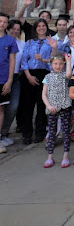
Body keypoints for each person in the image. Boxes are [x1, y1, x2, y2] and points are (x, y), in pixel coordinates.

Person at [21, 19, 53, 145]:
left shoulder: (50, 42)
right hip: (30, 74)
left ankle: (40, 132)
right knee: (28, 106)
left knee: (42, 105)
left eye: (43, 26)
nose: (41, 28)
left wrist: (43, 59)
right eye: (38, 26)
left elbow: (53, 61)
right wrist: (28, 76)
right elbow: (24, 60)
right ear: (35, 28)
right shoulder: (29, 42)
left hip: (44, 73)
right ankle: (27, 133)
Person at [42, 53, 72, 168]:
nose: (58, 66)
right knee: (52, 132)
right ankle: (50, 157)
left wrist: (68, 61)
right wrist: (48, 106)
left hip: (64, 106)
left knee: (65, 131)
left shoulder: (65, 75)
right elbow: (44, 94)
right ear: (51, 64)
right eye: (55, 64)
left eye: (60, 64)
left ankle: (65, 156)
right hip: (52, 108)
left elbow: (69, 74)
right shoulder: (47, 77)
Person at [2, 20, 24, 147]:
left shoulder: (22, 44)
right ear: (7, 29)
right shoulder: (3, 41)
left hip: (16, 78)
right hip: (2, 76)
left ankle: (4, 132)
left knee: (13, 106)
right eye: (13, 29)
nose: (15, 31)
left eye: (18, 29)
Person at [0, 14, 17, 153]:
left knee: (1, 110)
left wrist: (10, 80)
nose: (2, 24)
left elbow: (12, 62)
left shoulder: (10, 41)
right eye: (0, 21)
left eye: (5, 22)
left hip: (3, 79)